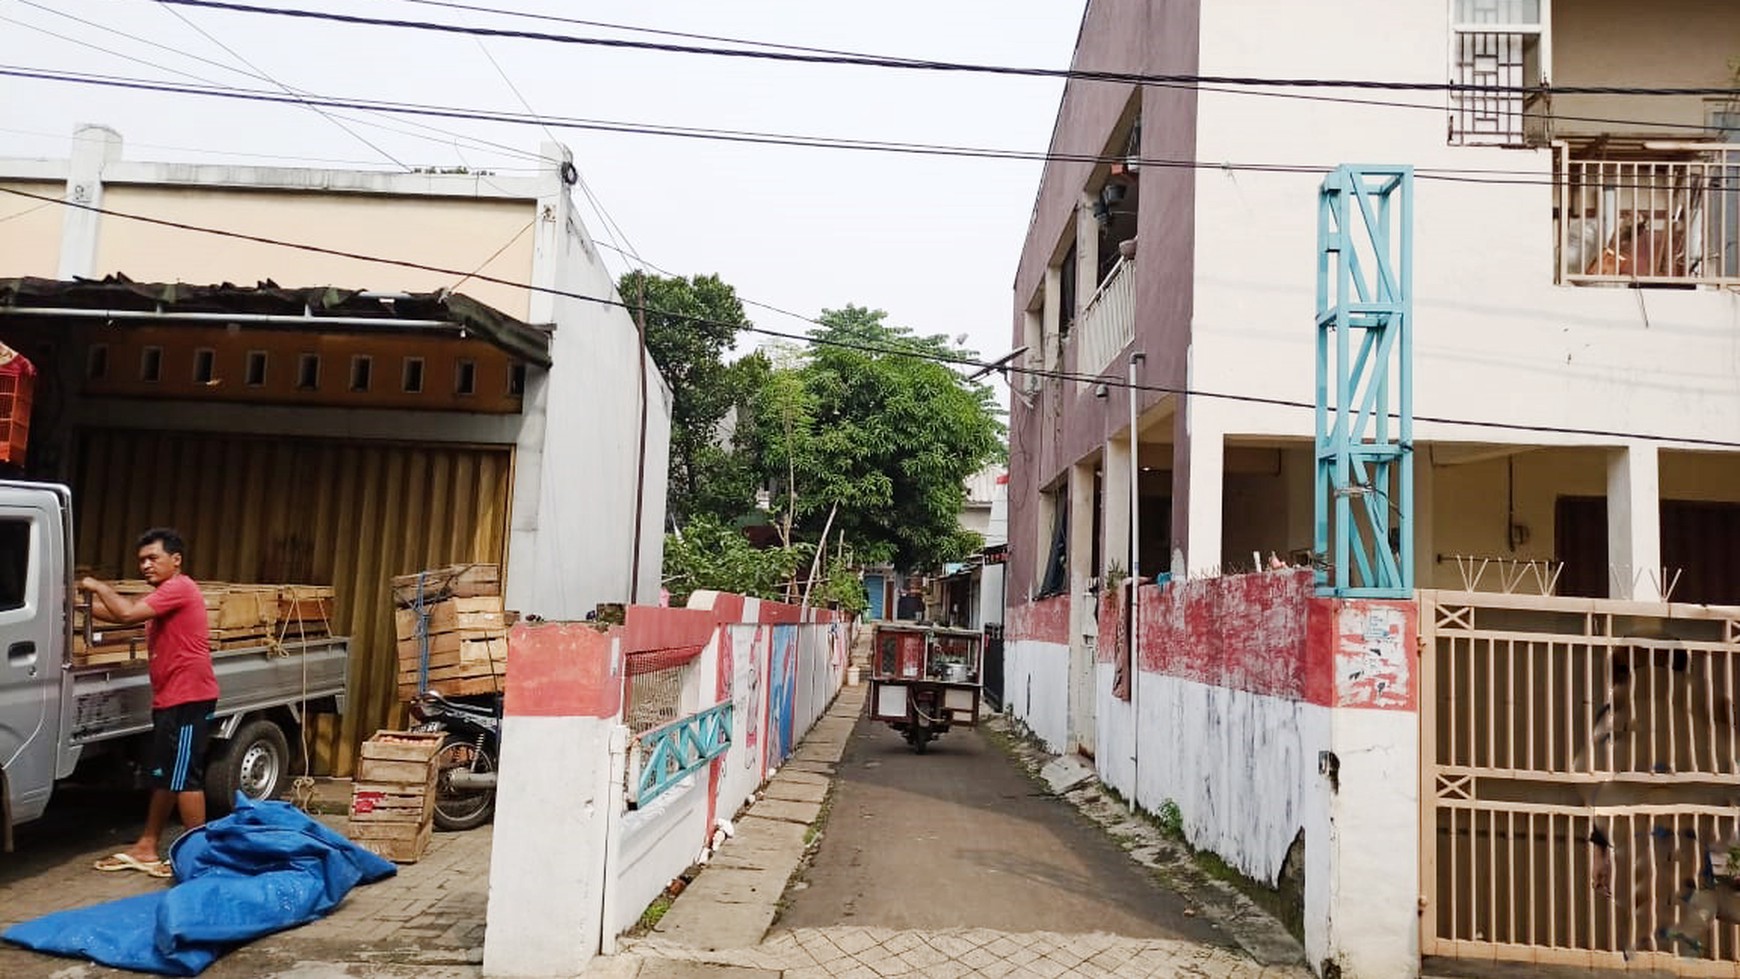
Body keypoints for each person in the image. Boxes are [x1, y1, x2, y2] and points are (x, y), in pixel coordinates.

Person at [80, 528, 218, 880]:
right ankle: (146, 845)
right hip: (170, 698)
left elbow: (126, 614)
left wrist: (97, 586)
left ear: (176, 560)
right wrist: (73, 604)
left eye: (153, 558)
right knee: (165, 775)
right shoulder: (162, 595)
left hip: (189, 698)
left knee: (186, 777)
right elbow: (122, 613)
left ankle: (198, 859)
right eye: (141, 559)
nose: (145, 565)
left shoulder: (179, 588)